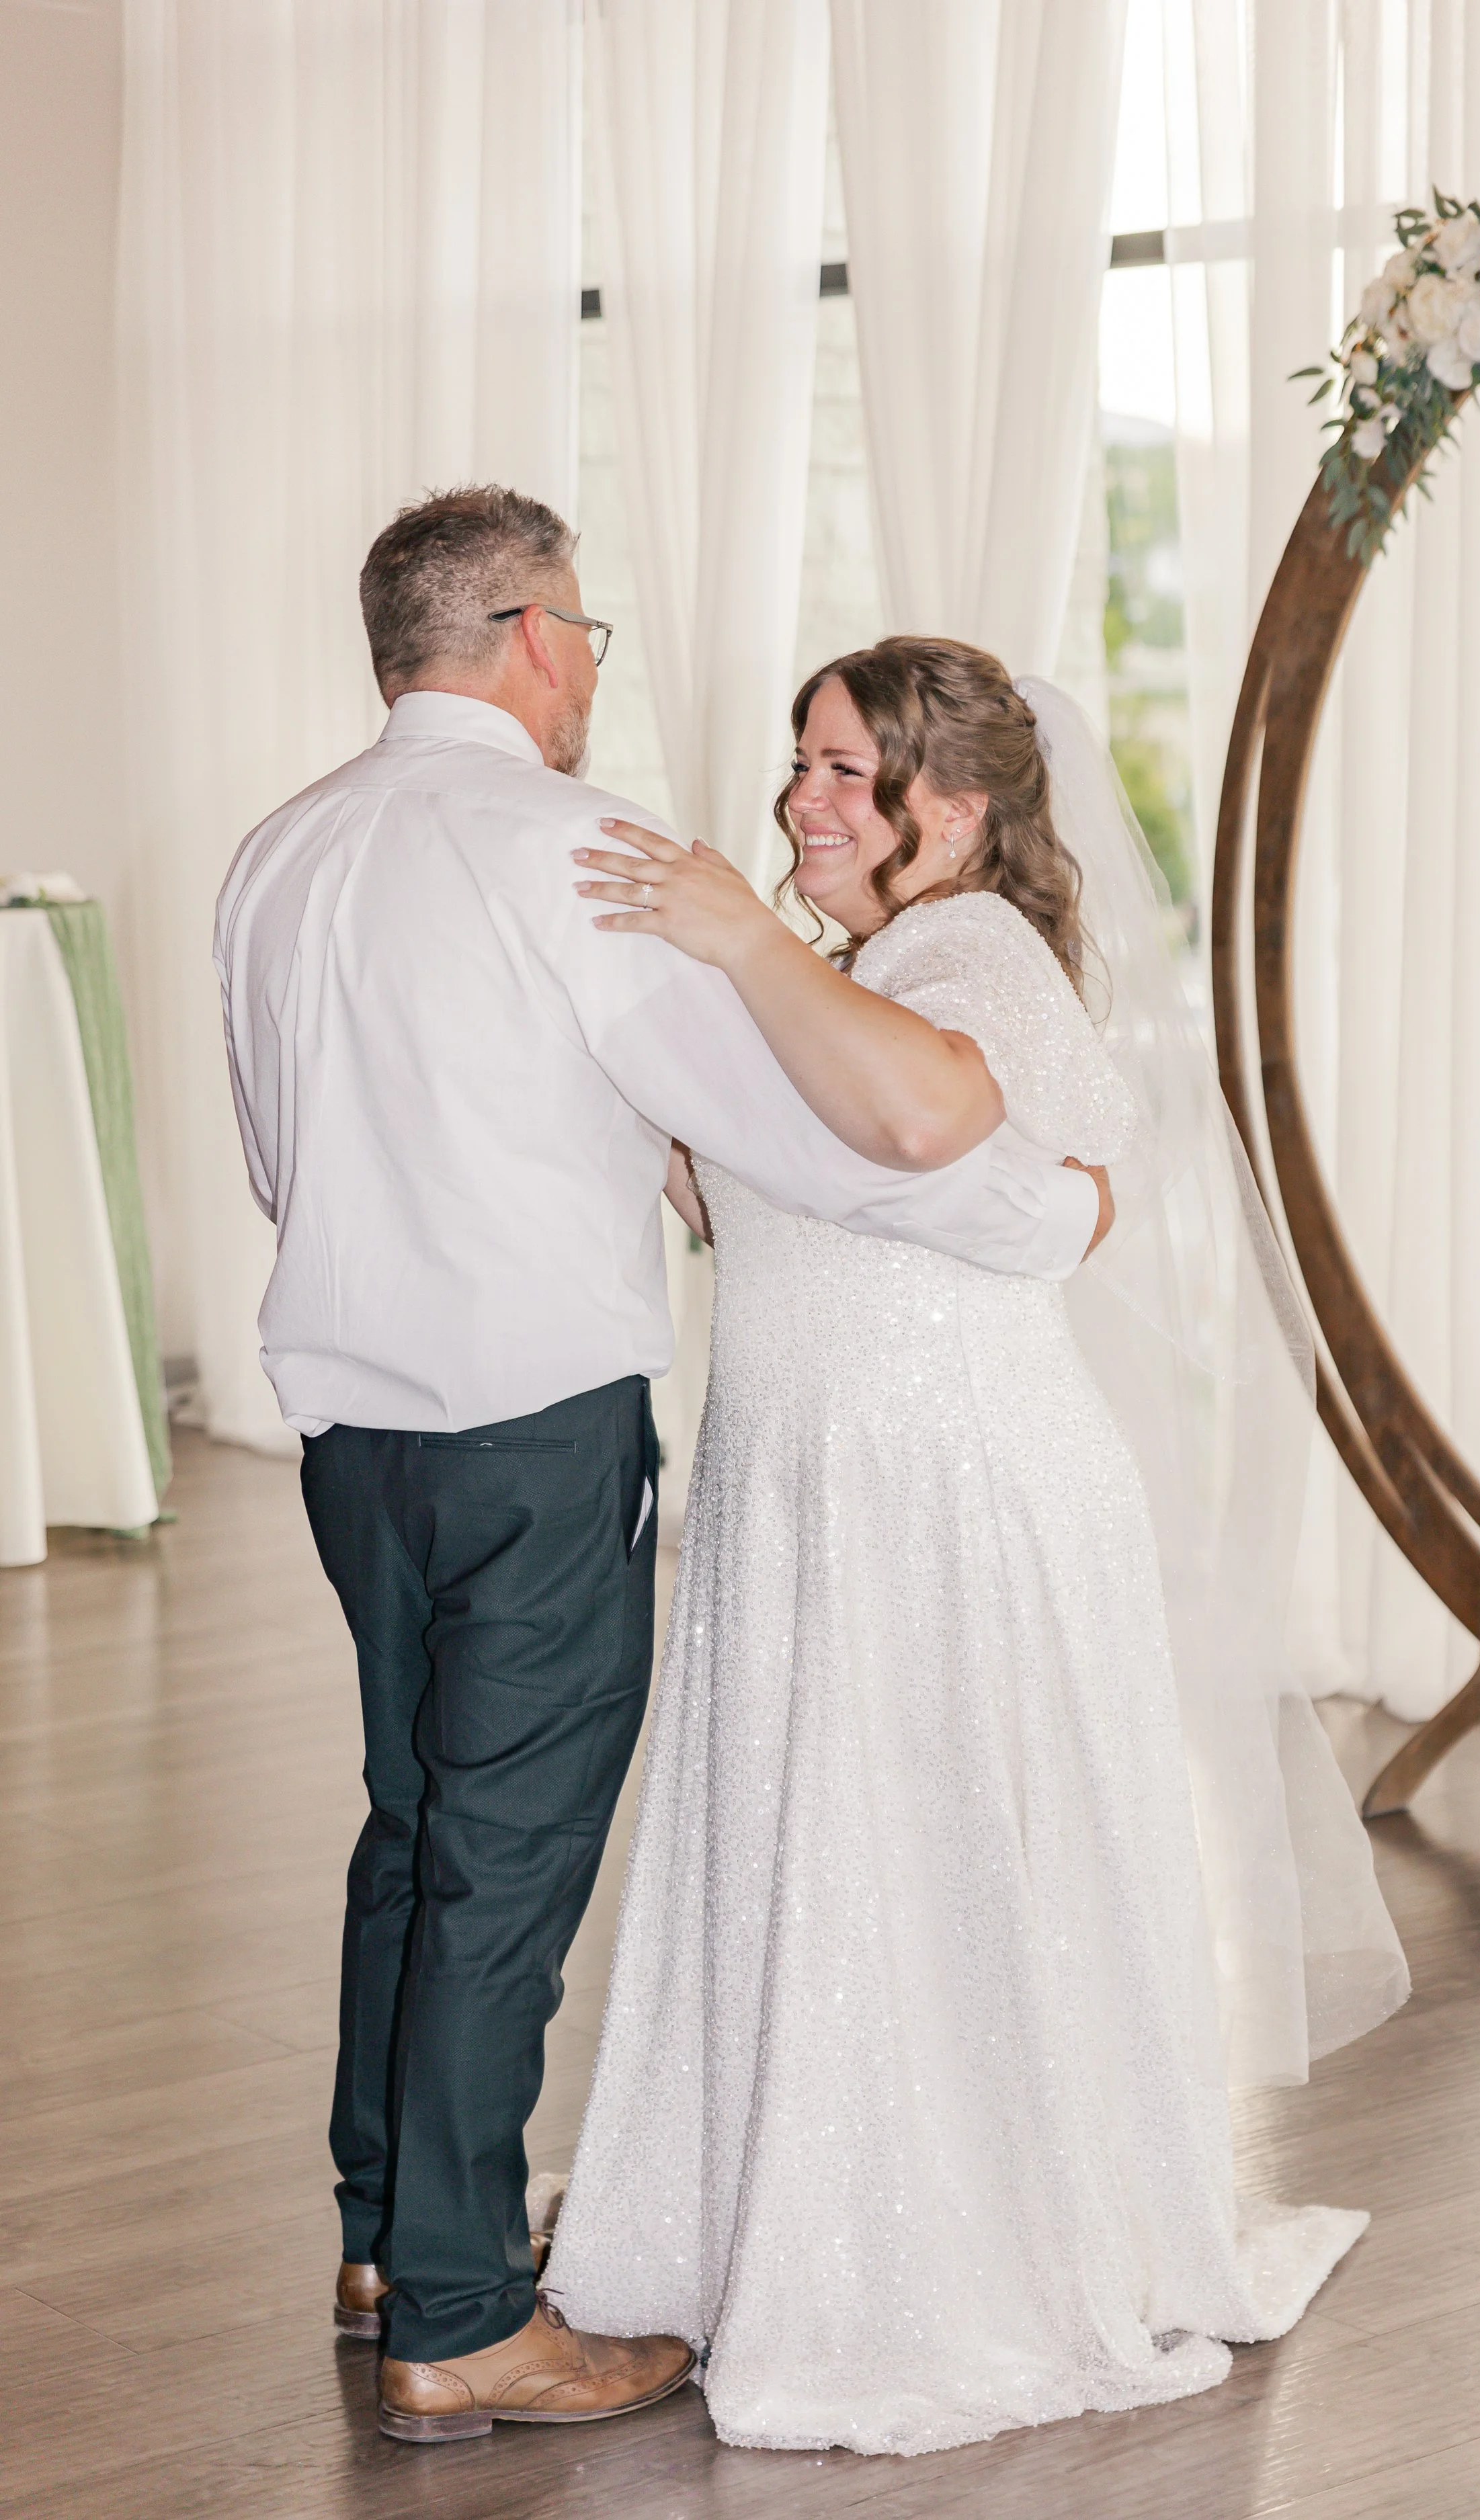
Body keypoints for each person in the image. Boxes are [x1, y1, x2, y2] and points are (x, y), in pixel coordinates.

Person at [213, 497, 1108, 2448]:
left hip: (350, 1432)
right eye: (590, 630)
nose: (596, 667)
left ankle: (386, 2230)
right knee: (506, 1860)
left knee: (415, 1819)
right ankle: (458, 2311)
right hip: (532, 1429)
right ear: (530, 633)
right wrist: (1045, 1196)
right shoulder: (577, 853)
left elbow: (280, 1158)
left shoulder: (275, 855)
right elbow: (813, 1134)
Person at [545, 637, 1410, 2455]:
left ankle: (943, 2248)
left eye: (845, 771)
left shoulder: (965, 952)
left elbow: (933, 1116)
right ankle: (793, 2197)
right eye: (801, 762)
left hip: (938, 1490)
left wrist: (737, 940)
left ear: (956, 808)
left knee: (922, 1853)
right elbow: (804, 1186)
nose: (800, 797)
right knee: (824, 1852)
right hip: (817, 1479)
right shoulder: (859, 965)